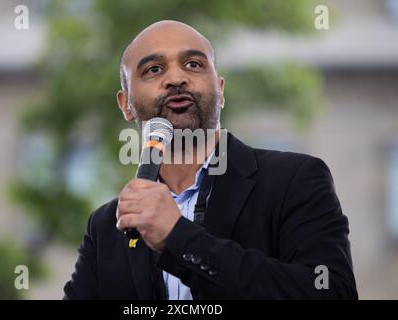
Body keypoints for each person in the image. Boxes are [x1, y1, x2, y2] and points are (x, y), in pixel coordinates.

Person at [63, 20, 357, 299]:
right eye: (154, 69)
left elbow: (330, 292)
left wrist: (179, 237)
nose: (177, 79)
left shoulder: (295, 180)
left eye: (193, 64)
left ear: (221, 90)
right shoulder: (106, 227)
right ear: (126, 104)